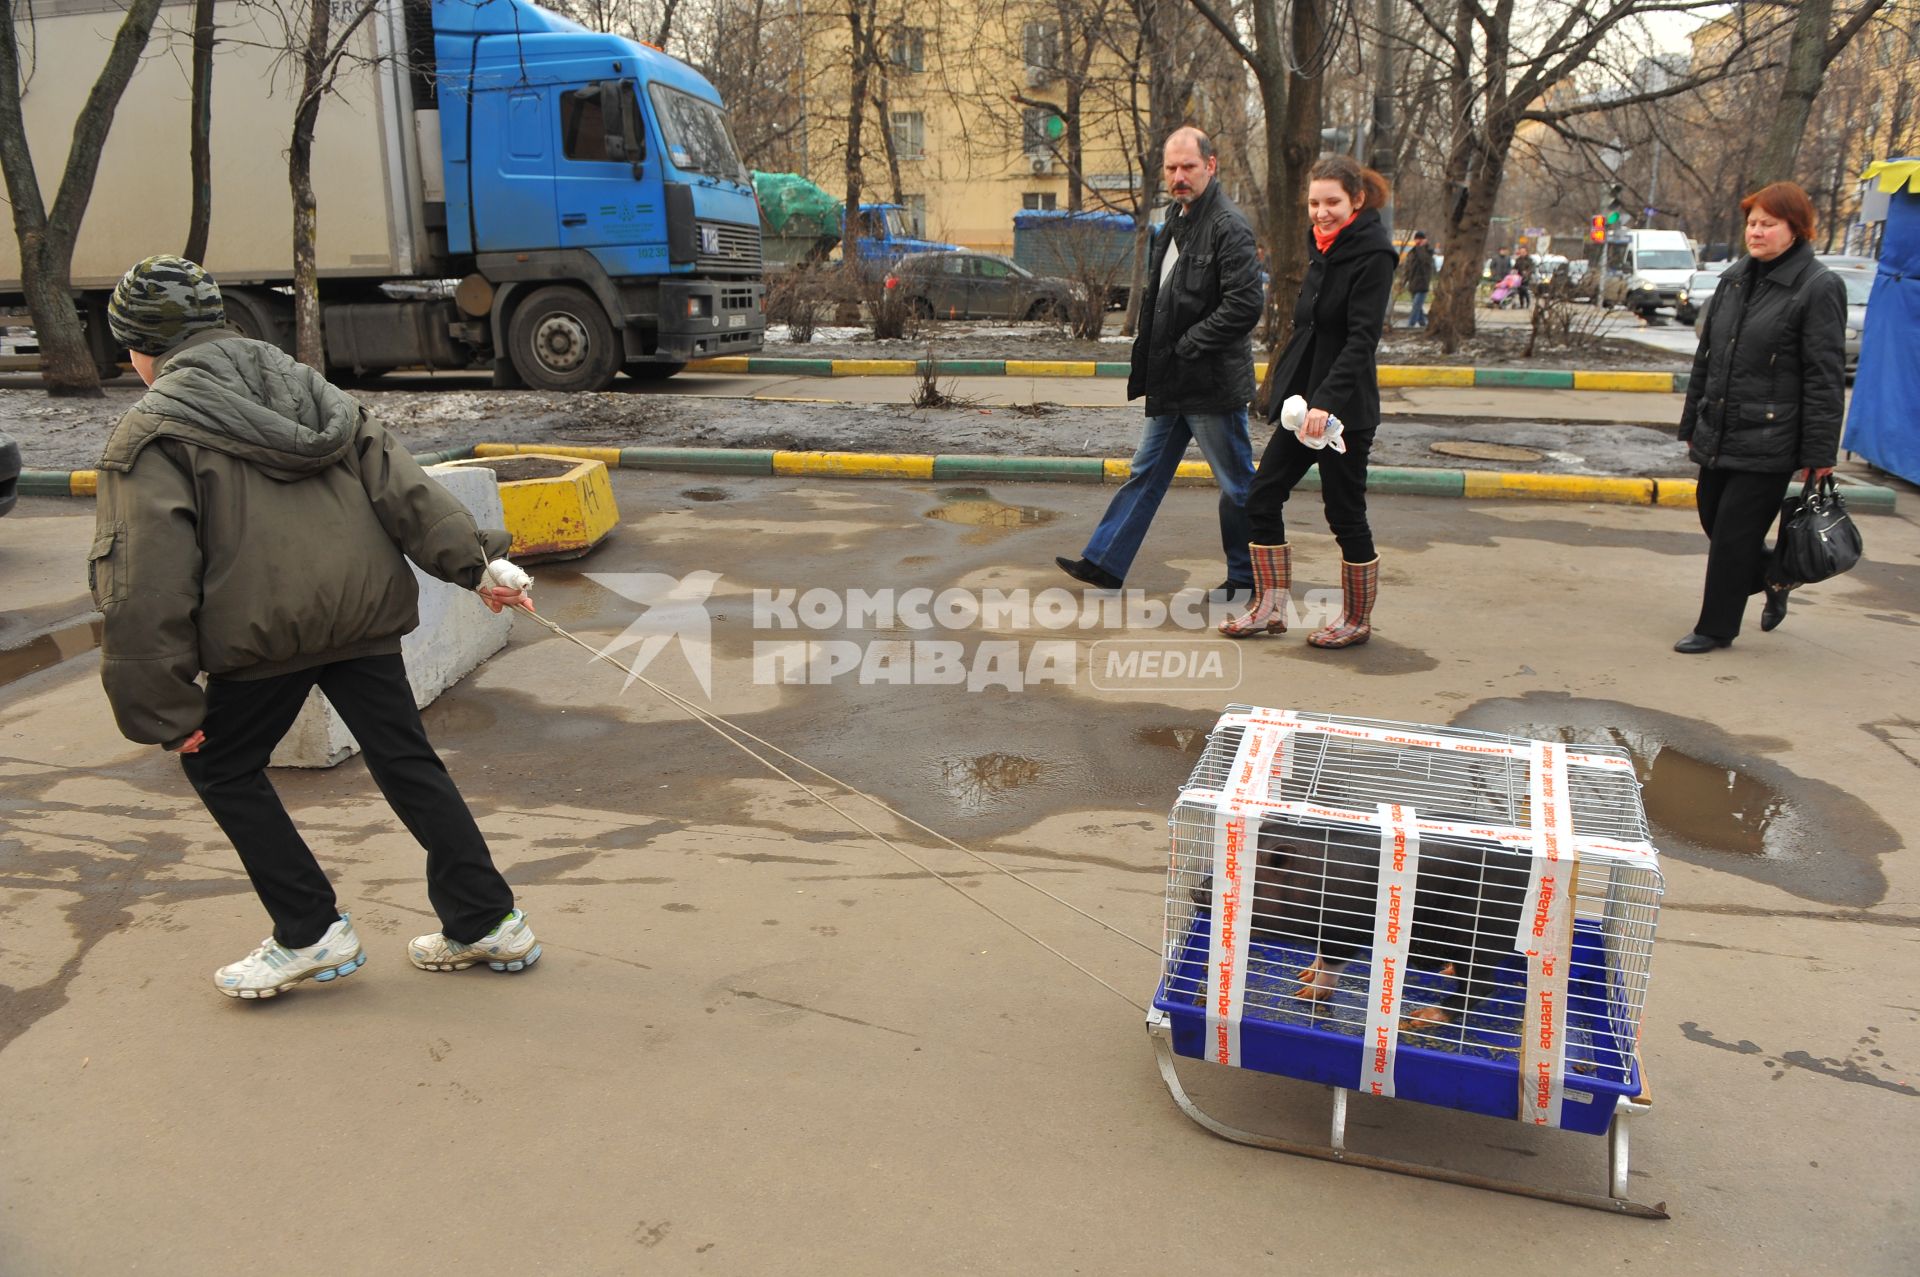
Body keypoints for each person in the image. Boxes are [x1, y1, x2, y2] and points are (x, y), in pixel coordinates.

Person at [91, 255, 544, 997]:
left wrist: (162, 707)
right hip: (362, 611)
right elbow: (398, 477)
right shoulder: (302, 383)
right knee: (404, 756)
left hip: (264, 629)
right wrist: (475, 566)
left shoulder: (152, 430)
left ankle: (309, 929)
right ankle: (487, 918)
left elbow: (143, 578)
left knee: (220, 763)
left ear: (143, 347)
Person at [1055, 126, 1263, 593]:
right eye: (1171, 168)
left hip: (1210, 384)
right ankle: (1105, 562)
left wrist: (1190, 344)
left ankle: (1248, 578)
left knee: (1237, 485)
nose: (1178, 176)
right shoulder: (1175, 220)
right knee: (1145, 472)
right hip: (1173, 380)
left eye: (1188, 166)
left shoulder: (1229, 226)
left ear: (1211, 166)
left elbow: (1245, 306)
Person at [1221, 155, 1397, 648]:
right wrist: (1284, 391)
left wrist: (1326, 403)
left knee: (1344, 513)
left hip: (1344, 411)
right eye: (1314, 202)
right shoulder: (1321, 244)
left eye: (1332, 202)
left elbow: (1361, 339)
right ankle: (1269, 608)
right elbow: (1310, 324)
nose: (1321, 212)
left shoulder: (1374, 254)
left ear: (1356, 200)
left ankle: (1356, 620)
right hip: (1303, 406)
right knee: (1263, 493)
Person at [1673, 183, 1846, 653]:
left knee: (1733, 534)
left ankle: (1716, 627)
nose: (1757, 231)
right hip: (1721, 427)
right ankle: (1775, 575)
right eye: (1752, 222)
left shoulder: (1818, 287)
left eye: (1769, 223)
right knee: (1713, 518)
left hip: (1773, 437)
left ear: (1796, 230)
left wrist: (1818, 452)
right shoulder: (1733, 280)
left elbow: (1824, 376)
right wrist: (1691, 425)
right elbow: (1707, 360)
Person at [1400, 230, 1435, 329]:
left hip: (1423, 284)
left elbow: (1425, 260)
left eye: (1421, 239)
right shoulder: (1411, 252)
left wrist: (1421, 247)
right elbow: (1407, 269)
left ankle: (1410, 325)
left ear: (1425, 240)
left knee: (1416, 306)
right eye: (1417, 239)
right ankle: (1423, 323)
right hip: (1413, 284)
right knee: (1418, 307)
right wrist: (1403, 282)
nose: (1418, 241)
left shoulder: (1428, 251)